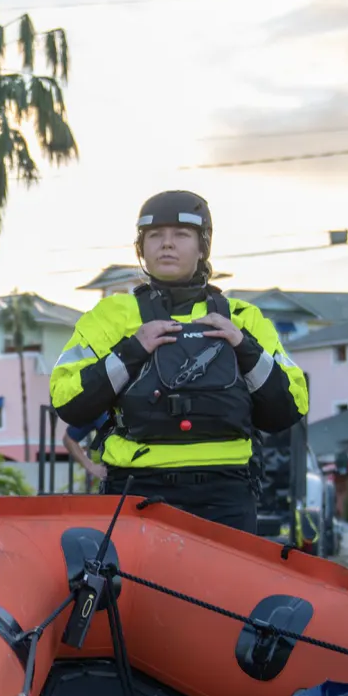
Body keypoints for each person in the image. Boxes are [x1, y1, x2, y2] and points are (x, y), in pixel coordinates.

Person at [49, 191, 308, 532]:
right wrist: (131, 351)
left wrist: (244, 347)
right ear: (141, 249)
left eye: (181, 235)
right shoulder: (109, 317)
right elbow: (67, 400)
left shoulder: (243, 318)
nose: (166, 245)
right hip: (136, 490)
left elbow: (289, 407)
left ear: (202, 248)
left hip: (228, 494)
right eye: (155, 236)